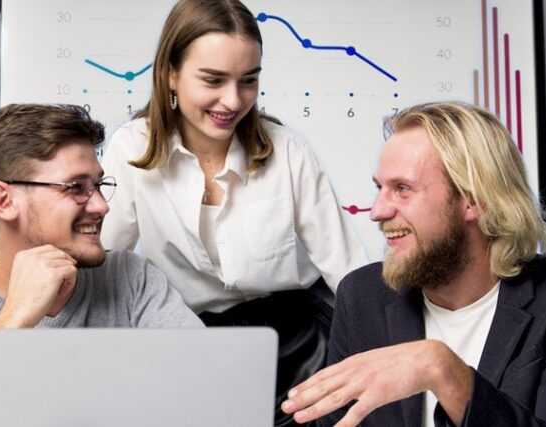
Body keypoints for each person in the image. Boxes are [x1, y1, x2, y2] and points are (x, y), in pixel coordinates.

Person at [99, 0, 368, 421]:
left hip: (300, 342)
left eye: (248, 81)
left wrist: (387, 363)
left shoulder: (289, 152)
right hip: (189, 343)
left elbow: (347, 271)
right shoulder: (131, 148)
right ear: (171, 72)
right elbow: (103, 264)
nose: (233, 100)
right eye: (213, 79)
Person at [281, 102, 546, 426]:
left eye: (402, 189)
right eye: (380, 188)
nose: (377, 211)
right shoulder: (363, 296)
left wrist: (442, 370)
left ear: (473, 200)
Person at [0, 104, 203, 329]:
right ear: (5, 200)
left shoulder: (131, 278)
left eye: (98, 185)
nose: (101, 206)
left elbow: (208, 386)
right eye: (76, 187)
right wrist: (15, 318)